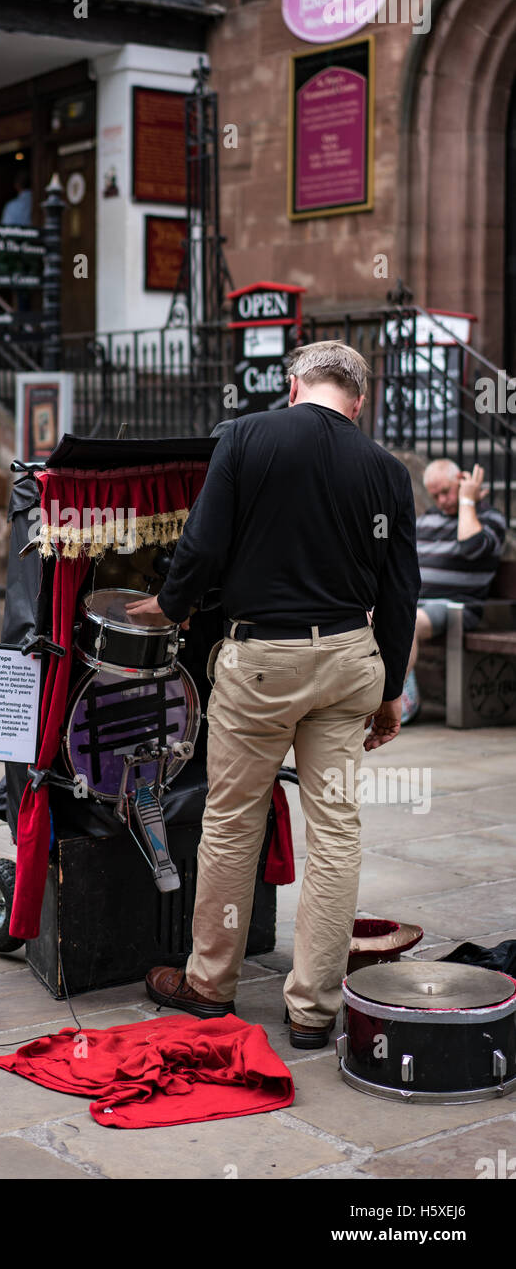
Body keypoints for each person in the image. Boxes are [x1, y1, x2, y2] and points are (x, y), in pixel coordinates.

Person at [127, 341, 421, 1048]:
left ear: (293, 386)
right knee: (336, 833)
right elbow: (401, 591)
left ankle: (209, 984)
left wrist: (170, 605)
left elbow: (200, 545)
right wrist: (387, 693)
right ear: (358, 401)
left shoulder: (246, 436)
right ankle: (313, 1011)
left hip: (261, 660)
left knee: (232, 822)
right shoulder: (385, 470)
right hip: (350, 657)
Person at [400, 458, 506, 724]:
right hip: (419, 603)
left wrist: (467, 502)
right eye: (435, 495)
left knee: (405, 623)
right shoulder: (427, 520)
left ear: (461, 480)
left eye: (446, 491)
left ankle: (395, 700)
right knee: (369, 616)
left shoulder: (489, 518)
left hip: (458, 607)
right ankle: (402, 691)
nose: (442, 500)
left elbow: (471, 546)